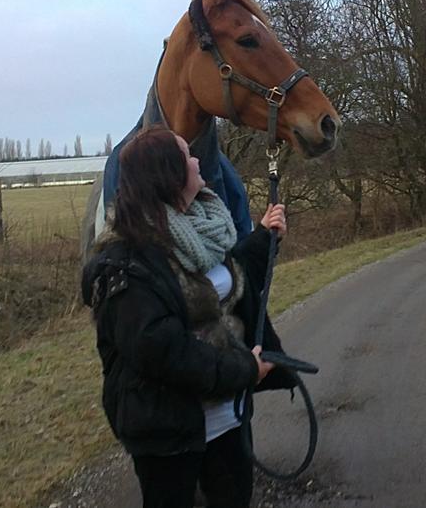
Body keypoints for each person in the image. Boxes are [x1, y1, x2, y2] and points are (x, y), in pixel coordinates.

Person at [81, 126, 297, 508]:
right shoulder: (125, 262)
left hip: (228, 418)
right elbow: (162, 349)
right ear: (169, 174)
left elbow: (226, 280)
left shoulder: (202, 227)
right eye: (187, 155)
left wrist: (264, 236)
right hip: (167, 431)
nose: (198, 161)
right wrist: (244, 369)